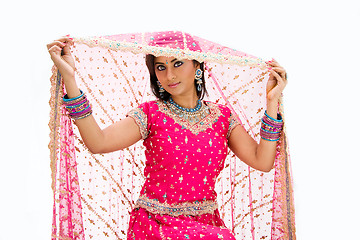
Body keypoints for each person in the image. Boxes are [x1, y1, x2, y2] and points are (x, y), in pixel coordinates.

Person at [47, 33, 287, 239]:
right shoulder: (151, 114)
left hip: (207, 226)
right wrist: (70, 78)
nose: (169, 75)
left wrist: (272, 102)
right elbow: (98, 143)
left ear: (198, 66)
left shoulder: (222, 117)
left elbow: (262, 161)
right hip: (155, 226)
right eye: (161, 67)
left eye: (177, 63)